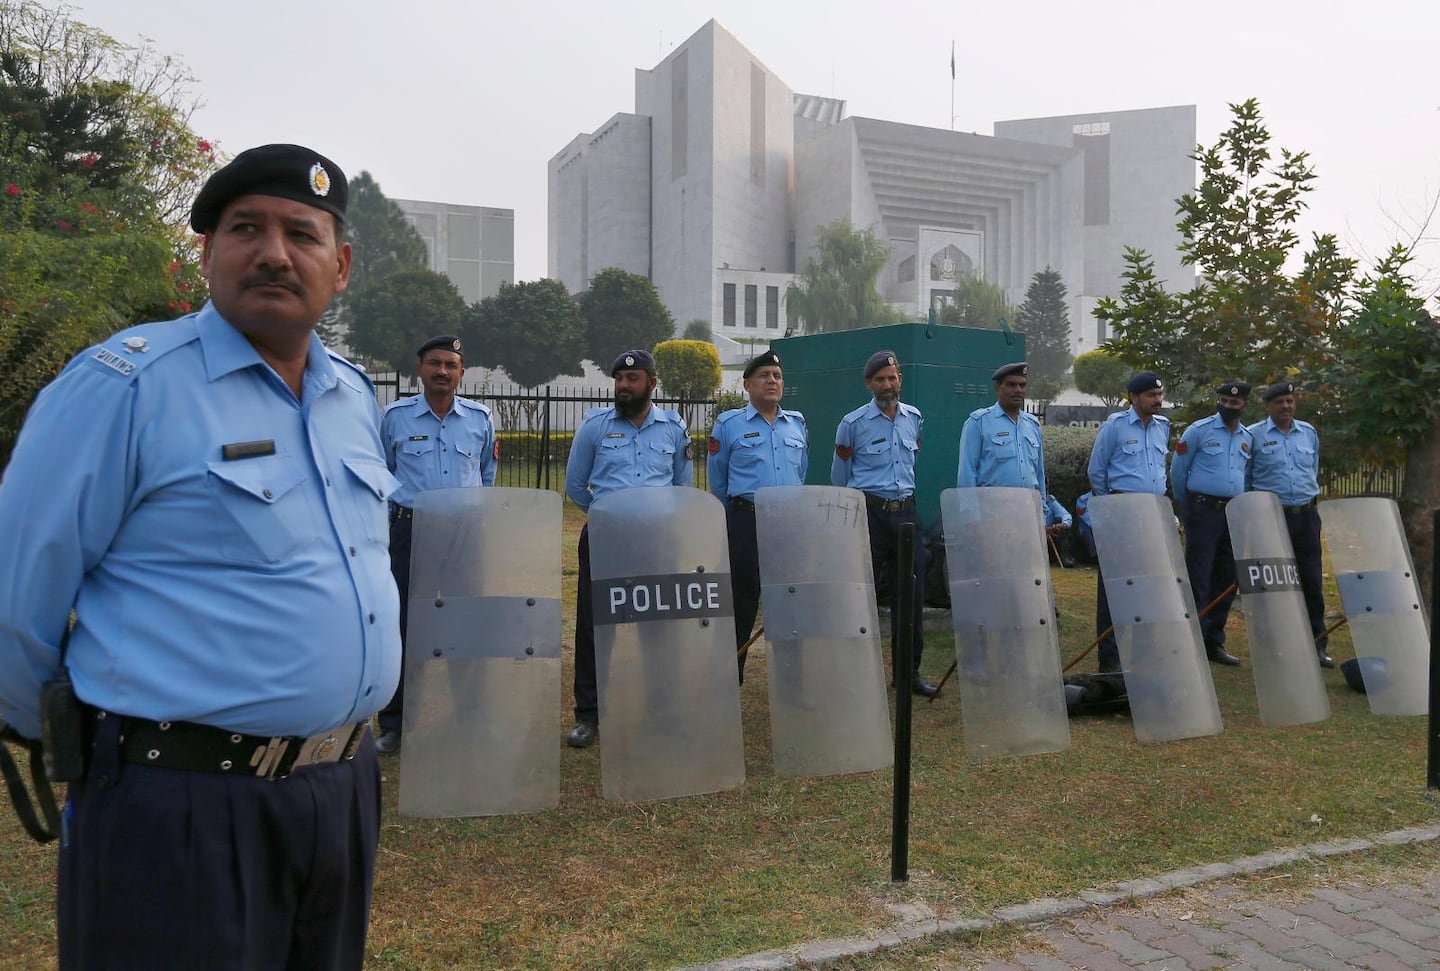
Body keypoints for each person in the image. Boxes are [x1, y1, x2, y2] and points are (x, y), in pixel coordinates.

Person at [0, 144, 397, 969]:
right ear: (208, 253)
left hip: (342, 786)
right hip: (177, 802)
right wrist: (56, 737)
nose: (275, 252)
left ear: (342, 263)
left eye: (302, 232)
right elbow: (17, 587)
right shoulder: (127, 384)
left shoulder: (352, 396)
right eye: (245, 228)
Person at [563, 349, 693, 747]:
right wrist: (607, 517)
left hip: (656, 540)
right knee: (595, 626)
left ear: (652, 383)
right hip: (606, 538)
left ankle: (660, 707)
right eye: (619, 378)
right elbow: (574, 485)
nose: (623, 385)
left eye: (632, 379)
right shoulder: (595, 426)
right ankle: (589, 714)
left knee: (658, 626)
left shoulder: (673, 428)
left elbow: (682, 487)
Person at [374, 335, 497, 753]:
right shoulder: (395, 417)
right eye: (435, 363)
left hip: (464, 535)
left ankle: (470, 715)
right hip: (411, 531)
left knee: (466, 625)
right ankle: (396, 724)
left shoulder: (480, 418)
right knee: (405, 625)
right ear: (420, 369)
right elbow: (383, 476)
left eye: (451, 365)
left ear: (462, 373)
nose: (442, 371)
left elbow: (486, 473)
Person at [831, 350, 937, 697]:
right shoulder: (853, 424)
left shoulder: (915, 418)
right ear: (869, 383)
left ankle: (908, 674)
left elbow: (913, 462)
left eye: (892, 378)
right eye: (880, 379)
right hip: (869, 515)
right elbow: (841, 476)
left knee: (911, 596)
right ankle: (854, 672)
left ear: (900, 380)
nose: (887, 385)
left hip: (906, 515)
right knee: (860, 597)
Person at [707, 349, 808, 682]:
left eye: (777, 376)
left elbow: (801, 472)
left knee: (790, 603)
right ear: (748, 385)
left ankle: (792, 682)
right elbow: (718, 481)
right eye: (764, 375)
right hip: (746, 522)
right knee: (741, 603)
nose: (772, 381)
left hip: (789, 524)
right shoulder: (729, 425)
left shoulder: (796, 424)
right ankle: (729, 679)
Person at [1086, 371, 1171, 673]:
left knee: (1148, 586)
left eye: (1159, 395)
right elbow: (1097, 470)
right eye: (1151, 395)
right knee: (1114, 587)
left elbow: (1160, 471)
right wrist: (1111, 508)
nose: (1157, 400)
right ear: (1133, 397)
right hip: (1122, 510)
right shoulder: (1116, 426)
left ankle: (1144, 656)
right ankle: (1110, 660)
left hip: (1153, 513)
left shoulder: (1163, 427)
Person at [1247, 380, 1334, 668]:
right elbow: (1247, 479)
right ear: (1268, 406)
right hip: (1272, 517)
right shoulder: (1254, 435)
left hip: (1306, 516)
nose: (1286, 406)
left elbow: (1312, 469)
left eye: (1290, 401)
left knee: (1310, 580)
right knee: (1272, 583)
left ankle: (1316, 645)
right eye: (1279, 402)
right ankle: (1274, 646)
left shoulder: (1308, 433)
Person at [1171, 380, 1254, 667]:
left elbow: (1247, 475)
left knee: (1227, 577)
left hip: (1233, 512)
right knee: (1198, 576)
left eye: (1235, 403)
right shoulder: (1199, 430)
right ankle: (1192, 638)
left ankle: (1214, 641)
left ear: (1244, 405)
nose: (1229, 406)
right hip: (1203, 510)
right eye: (1224, 401)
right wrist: (1187, 507)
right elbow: (1179, 470)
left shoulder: (1247, 437)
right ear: (1218, 401)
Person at [957, 361, 1070, 558]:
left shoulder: (1032, 425)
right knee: (995, 575)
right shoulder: (979, 422)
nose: (1018, 389)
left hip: (1027, 517)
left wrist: (1042, 516)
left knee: (1025, 579)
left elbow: (1039, 476)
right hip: (992, 517)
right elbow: (967, 474)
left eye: (1022, 385)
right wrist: (972, 520)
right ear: (997, 388)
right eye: (1011, 384)